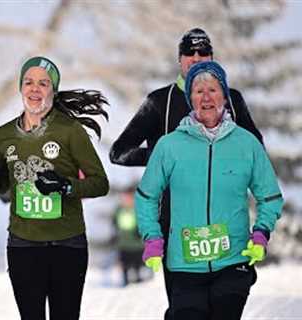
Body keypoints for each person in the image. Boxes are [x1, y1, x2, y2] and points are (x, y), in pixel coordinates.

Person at [109, 27, 264, 319]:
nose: (195, 58)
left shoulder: (230, 99)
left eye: (202, 52)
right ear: (179, 59)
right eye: (189, 53)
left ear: (212, 58)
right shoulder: (159, 101)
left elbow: (257, 148)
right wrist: (167, 158)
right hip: (176, 223)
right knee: (186, 308)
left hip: (225, 223)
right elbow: (119, 151)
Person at [134, 60, 284, 320]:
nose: (206, 97)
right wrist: (152, 237)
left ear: (225, 96)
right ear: (190, 98)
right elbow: (146, 196)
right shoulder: (169, 146)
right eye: (198, 91)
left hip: (233, 260)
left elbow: (270, 196)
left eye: (213, 89)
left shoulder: (246, 144)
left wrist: (261, 233)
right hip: (185, 264)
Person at [0, 56, 109, 320]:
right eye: (28, 82)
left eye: (43, 83)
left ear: (53, 90)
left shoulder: (70, 131)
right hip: (22, 244)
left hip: (67, 245)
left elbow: (100, 183)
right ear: (20, 88)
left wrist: (65, 186)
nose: (34, 89)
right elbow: (7, 184)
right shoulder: (3, 135)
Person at [112, 186, 147, 286]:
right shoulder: (119, 210)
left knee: (137, 264)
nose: (126, 199)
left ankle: (139, 279)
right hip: (123, 243)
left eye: (129, 197)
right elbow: (114, 223)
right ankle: (125, 280)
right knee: (125, 264)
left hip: (137, 244)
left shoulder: (138, 209)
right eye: (125, 197)